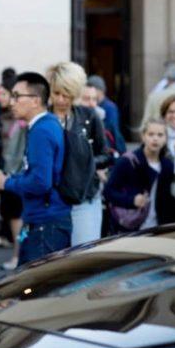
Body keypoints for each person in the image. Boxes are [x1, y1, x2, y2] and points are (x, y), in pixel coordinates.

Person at [0, 72, 72, 266]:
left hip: (45, 224)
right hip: (44, 221)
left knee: (38, 282)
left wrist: (5, 182)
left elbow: (40, 182)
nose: (11, 102)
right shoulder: (46, 124)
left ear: (36, 100)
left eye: (16, 96)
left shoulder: (42, 129)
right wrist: (9, 178)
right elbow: (36, 173)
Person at [45, 61, 111, 246]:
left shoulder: (89, 116)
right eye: (56, 93)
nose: (61, 100)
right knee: (53, 257)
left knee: (84, 253)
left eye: (67, 94)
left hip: (85, 197)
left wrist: (83, 164)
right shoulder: (42, 119)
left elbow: (105, 155)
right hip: (51, 200)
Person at [104, 119, 175, 232]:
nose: (155, 138)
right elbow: (108, 191)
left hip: (159, 227)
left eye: (160, 135)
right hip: (130, 226)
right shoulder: (128, 161)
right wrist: (132, 200)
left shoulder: (167, 165)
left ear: (166, 138)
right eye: (151, 134)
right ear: (143, 136)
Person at [0, 76, 26, 271]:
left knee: (17, 219)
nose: (1, 98)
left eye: (5, 94)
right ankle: (17, 255)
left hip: (16, 174)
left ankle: (17, 256)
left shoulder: (23, 122)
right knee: (13, 218)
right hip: (8, 172)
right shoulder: (2, 117)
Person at [87, 75, 126, 154]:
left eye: (92, 88)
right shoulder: (94, 105)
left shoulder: (109, 107)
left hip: (111, 146)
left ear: (100, 90)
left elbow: (111, 128)